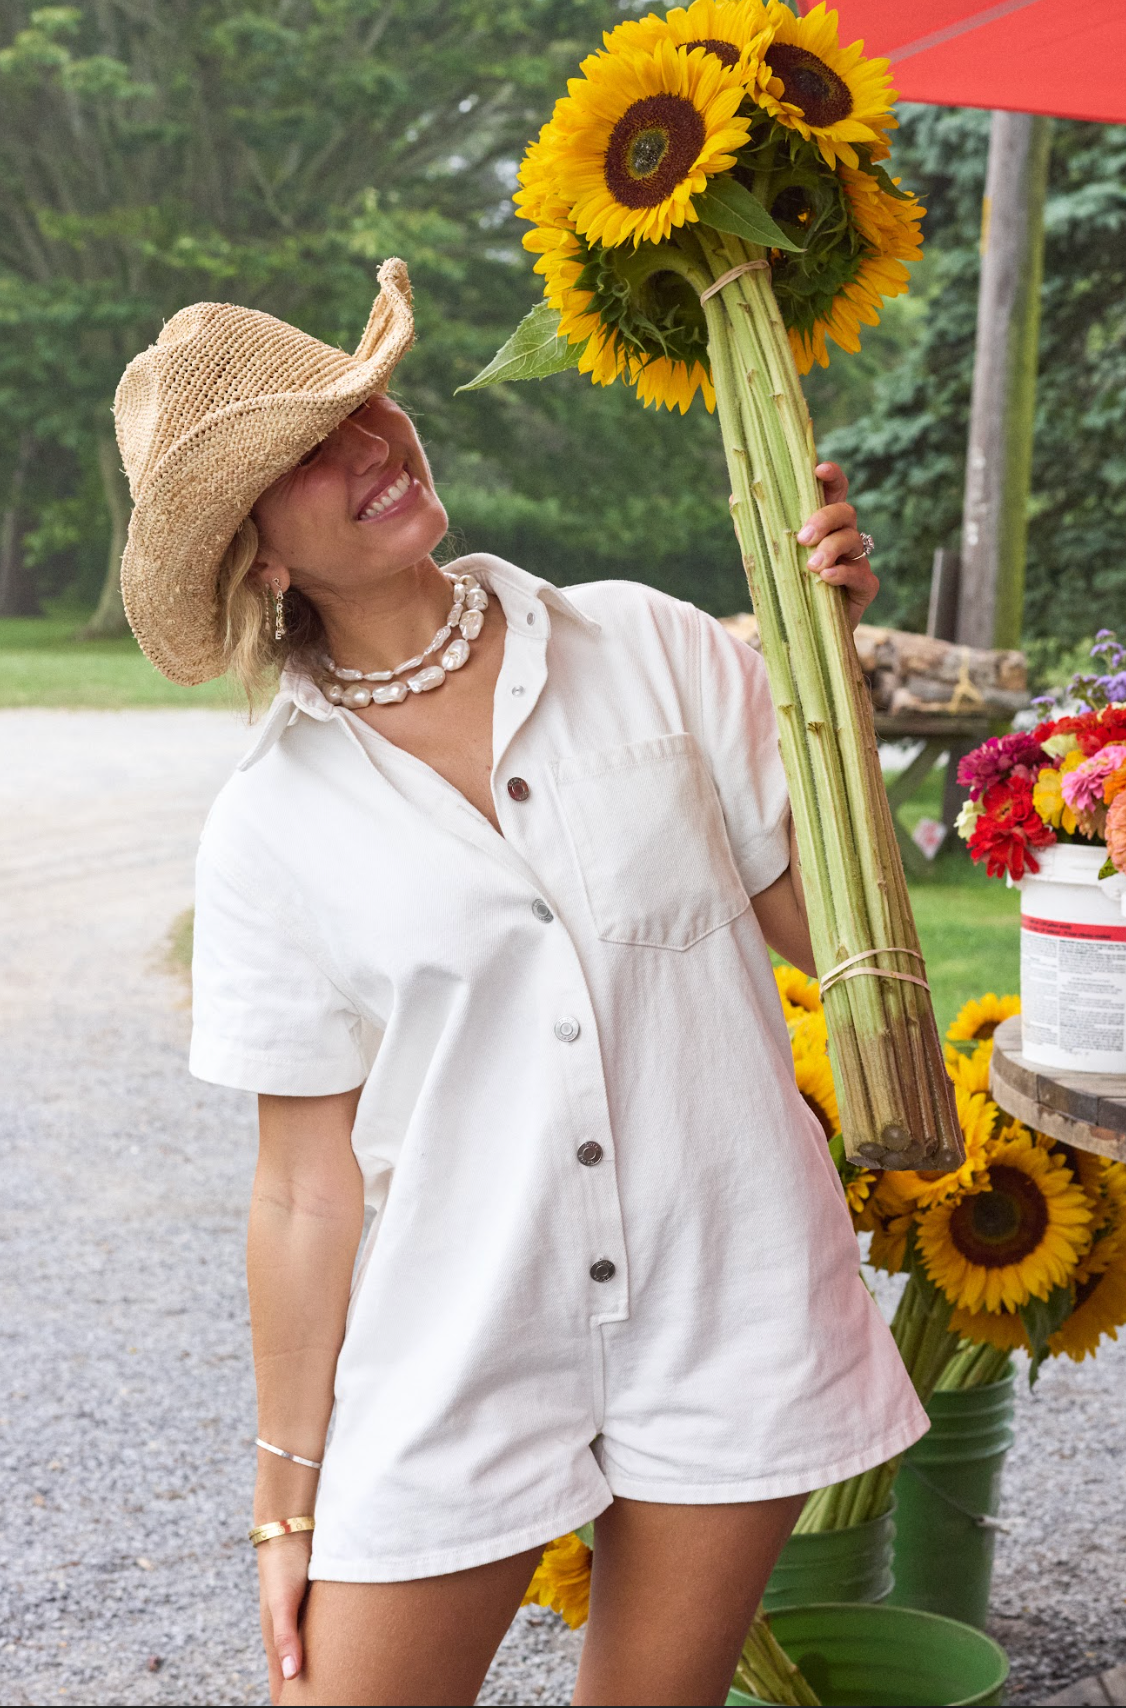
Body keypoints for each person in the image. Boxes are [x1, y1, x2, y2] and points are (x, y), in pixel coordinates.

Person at [114, 258, 926, 1707]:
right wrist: (287, 1497)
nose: (371, 444)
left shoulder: (655, 647)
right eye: (307, 453)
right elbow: (303, 1190)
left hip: (723, 1307)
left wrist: (827, 665)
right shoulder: (269, 824)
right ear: (256, 558)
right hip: (460, 1338)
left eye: (365, 407)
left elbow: (830, 926)